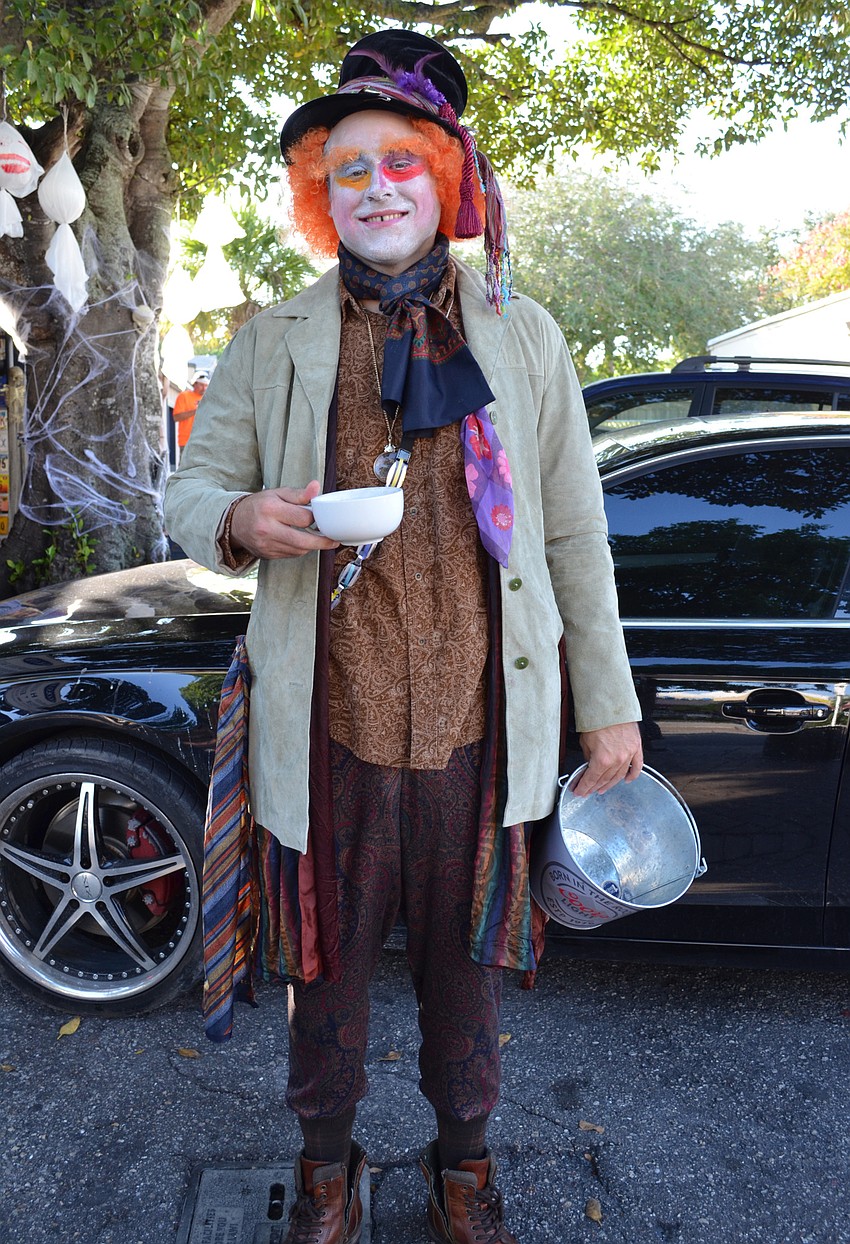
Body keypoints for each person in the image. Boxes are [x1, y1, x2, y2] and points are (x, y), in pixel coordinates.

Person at [164, 29, 642, 1244]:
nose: (375, 187)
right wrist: (235, 514)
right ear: (322, 196)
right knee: (320, 974)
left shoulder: (522, 335)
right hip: (327, 722)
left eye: (401, 163)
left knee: (464, 972)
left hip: (483, 726)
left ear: (446, 177)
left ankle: (462, 1163)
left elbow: (574, 535)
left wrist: (608, 702)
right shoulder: (274, 338)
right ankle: (327, 1165)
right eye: (348, 168)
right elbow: (186, 486)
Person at [172, 368, 209, 454]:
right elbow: (176, 417)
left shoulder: (209, 399)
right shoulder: (184, 396)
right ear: (194, 384)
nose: (204, 388)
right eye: (201, 385)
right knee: (186, 467)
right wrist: (196, 411)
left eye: (206, 385)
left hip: (205, 442)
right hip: (187, 441)